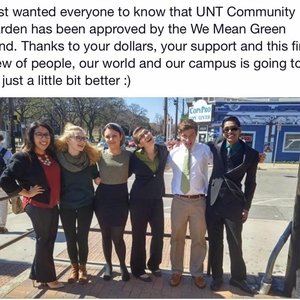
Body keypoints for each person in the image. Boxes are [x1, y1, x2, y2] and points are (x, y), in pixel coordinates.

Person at [0, 121, 63, 289]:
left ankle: (36, 274)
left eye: (47, 134)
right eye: (39, 135)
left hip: (52, 204)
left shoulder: (51, 154)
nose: (44, 138)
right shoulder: (24, 157)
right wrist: (25, 192)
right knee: (44, 240)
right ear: (31, 136)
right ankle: (49, 278)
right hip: (37, 204)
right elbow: (5, 179)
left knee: (49, 239)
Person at [206, 115, 259, 294]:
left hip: (234, 203)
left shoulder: (250, 154)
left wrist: (247, 207)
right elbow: (195, 149)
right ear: (222, 131)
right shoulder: (215, 144)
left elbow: (251, 183)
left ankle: (238, 278)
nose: (230, 132)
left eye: (233, 128)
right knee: (215, 242)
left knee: (235, 242)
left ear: (240, 130)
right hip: (213, 202)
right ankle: (217, 277)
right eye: (226, 129)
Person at [166, 119, 213, 289]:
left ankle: (197, 273)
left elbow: (223, 158)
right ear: (179, 136)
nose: (188, 139)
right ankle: (176, 271)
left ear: (196, 134)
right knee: (177, 238)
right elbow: (158, 167)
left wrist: (253, 159)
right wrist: (163, 148)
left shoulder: (205, 150)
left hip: (199, 201)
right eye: (184, 136)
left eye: (191, 135)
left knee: (199, 239)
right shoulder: (173, 153)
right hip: (178, 201)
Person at [55, 123, 100, 285]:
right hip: (66, 204)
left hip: (86, 204)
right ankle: (73, 268)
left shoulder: (89, 160)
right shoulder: (58, 159)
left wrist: (100, 179)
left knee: (82, 238)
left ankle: (83, 269)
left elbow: (97, 176)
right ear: (68, 140)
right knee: (70, 237)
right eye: (78, 138)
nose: (82, 141)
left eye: (84, 138)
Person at [129, 126, 169, 282]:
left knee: (158, 234)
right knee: (138, 235)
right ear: (139, 143)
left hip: (157, 199)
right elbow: (123, 173)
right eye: (142, 136)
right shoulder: (135, 157)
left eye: (146, 132)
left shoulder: (163, 150)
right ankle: (138, 269)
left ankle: (154, 264)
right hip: (138, 200)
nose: (146, 135)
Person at [94, 123, 132, 282]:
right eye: (107, 136)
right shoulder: (98, 155)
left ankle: (123, 265)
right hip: (102, 199)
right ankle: (108, 265)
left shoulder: (129, 155)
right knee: (105, 235)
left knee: (117, 236)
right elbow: (86, 168)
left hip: (121, 199)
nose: (111, 139)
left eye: (114, 136)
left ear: (121, 136)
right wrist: (94, 177)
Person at [0, 134, 12, 234]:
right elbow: (11, 168)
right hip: (2, 182)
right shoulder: (6, 153)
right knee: (3, 204)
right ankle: (1, 226)